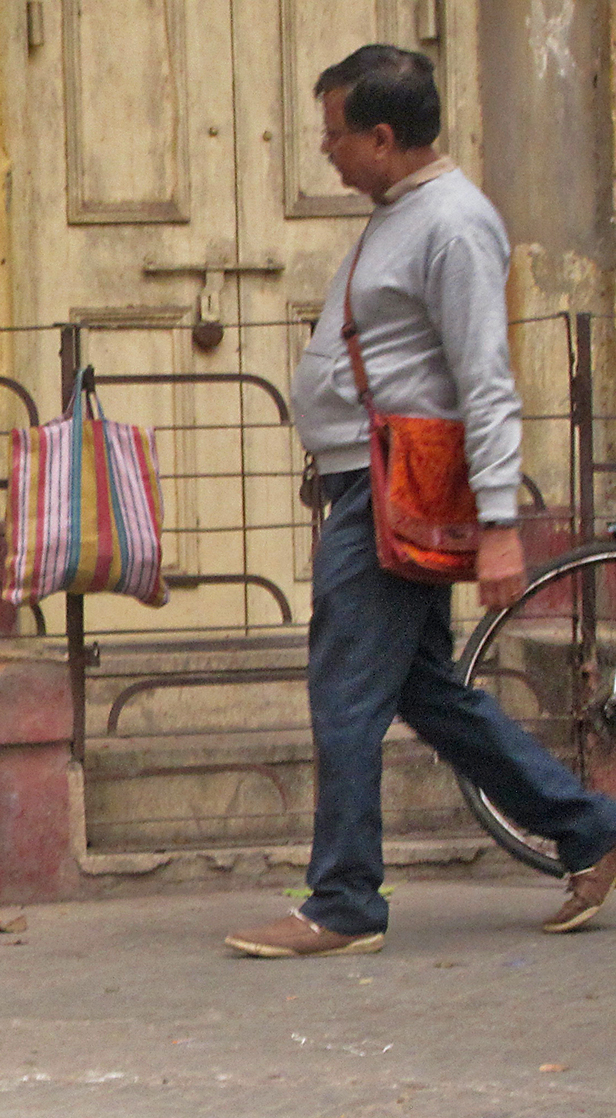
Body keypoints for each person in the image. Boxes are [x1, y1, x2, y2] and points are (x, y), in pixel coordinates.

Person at [226, 45, 616, 958]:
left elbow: (485, 379)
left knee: (348, 692)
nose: (324, 151)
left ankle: (345, 899)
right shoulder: (403, 213)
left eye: (334, 135)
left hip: (390, 491)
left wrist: (500, 527)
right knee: (427, 693)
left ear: (384, 136)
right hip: (369, 481)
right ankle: (588, 827)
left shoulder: (453, 224)